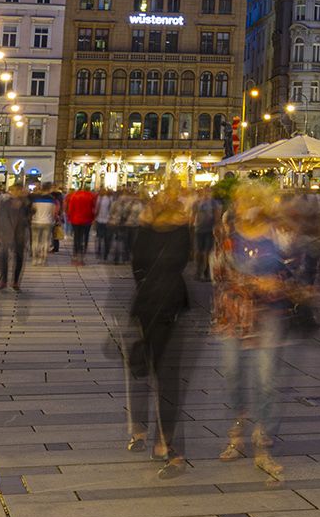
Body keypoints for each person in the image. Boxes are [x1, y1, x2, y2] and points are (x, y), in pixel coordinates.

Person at [212, 183, 301, 482]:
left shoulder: (278, 232)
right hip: (233, 312)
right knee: (232, 374)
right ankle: (237, 429)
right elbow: (216, 270)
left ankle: (262, 442)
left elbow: (294, 268)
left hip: (268, 314)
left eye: (251, 199)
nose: (244, 205)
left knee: (266, 379)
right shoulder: (226, 232)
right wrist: (250, 280)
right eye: (240, 200)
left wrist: (277, 282)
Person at [128, 191, 195, 477]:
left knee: (149, 372)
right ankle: (168, 446)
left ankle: (143, 433)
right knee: (169, 380)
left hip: (146, 306)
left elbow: (137, 267)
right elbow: (181, 262)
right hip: (171, 307)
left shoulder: (144, 231)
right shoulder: (181, 231)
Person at [0, 185, 30, 292]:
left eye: (19, 190)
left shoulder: (25, 204)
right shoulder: (4, 203)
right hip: (5, 233)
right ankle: (3, 280)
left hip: (19, 234)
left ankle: (15, 281)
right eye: (14, 190)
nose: (16, 192)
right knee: (3, 256)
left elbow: (29, 218)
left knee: (19, 257)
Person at [64, 185, 98, 266]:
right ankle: (82, 253)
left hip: (75, 220)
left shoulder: (74, 196)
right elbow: (93, 208)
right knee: (85, 236)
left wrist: (69, 217)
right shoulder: (90, 196)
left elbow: (71, 208)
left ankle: (75, 253)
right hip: (87, 219)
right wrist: (93, 218)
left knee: (77, 237)